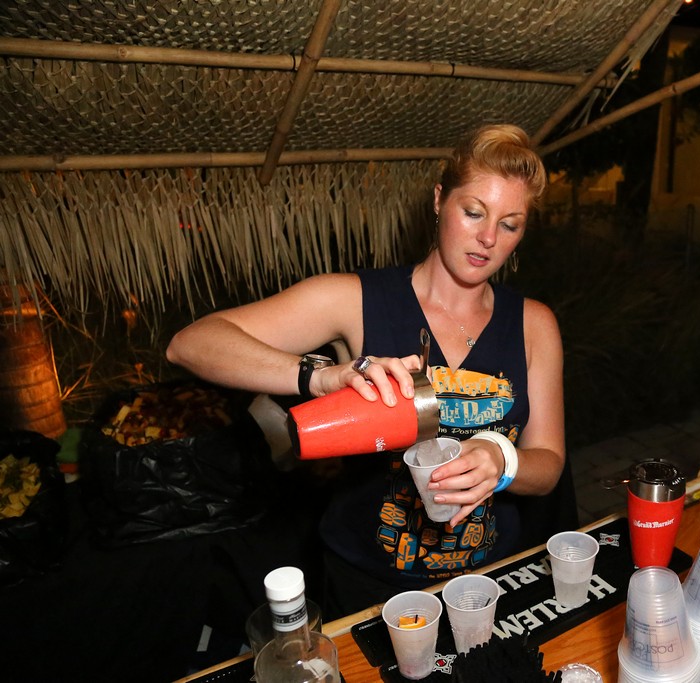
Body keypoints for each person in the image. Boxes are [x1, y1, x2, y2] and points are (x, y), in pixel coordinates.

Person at [166, 123, 566, 618]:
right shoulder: (354, 299)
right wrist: (320, 377)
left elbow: (549, 465)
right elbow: (191, 345)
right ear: (439, 200)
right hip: (367, 586)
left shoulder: (534, 324)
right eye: (473, 212)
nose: (487, 238)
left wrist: (502, 459)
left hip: (487, 584)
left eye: (510, 224)